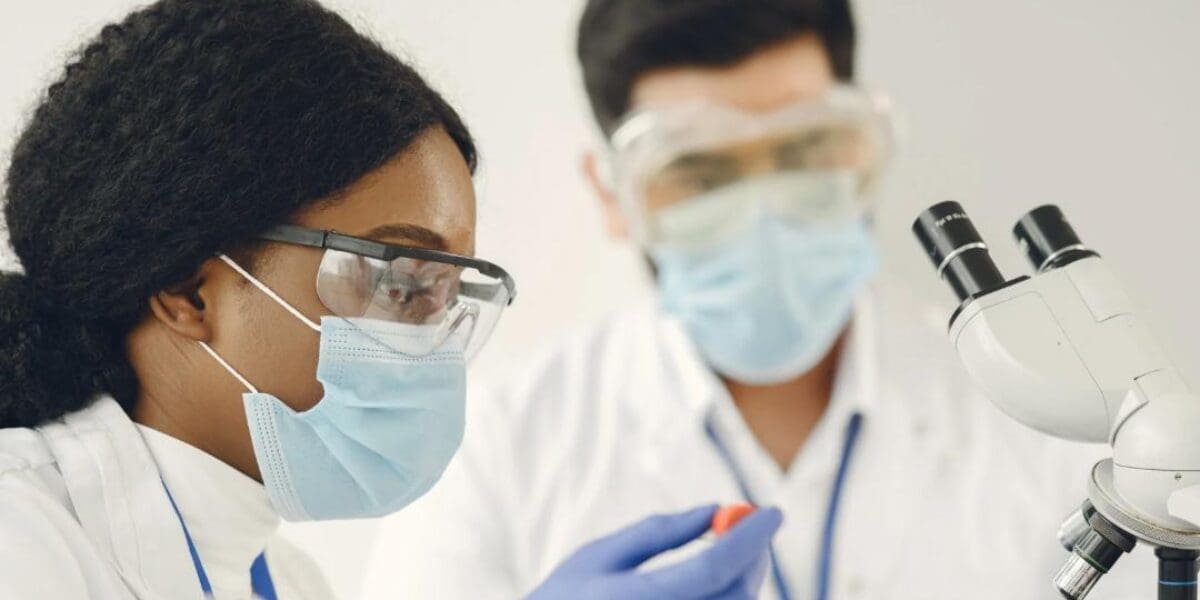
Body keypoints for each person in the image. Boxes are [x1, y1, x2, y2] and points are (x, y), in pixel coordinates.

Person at [365, 1, 1154, 598]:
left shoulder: (1047, 422)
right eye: (699, 172)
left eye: (806, 151)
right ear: (613, 194)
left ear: (862, 147)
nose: (766, 214)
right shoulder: (492, 455)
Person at [0, 1, 785, 598]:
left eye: (449, 291)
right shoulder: (22, 536)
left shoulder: (288, 579)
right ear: (186, 292)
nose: (431, 337)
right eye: (398, 280)